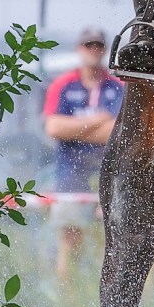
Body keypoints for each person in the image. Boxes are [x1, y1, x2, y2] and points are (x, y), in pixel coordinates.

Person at [43, 27, 124, 274]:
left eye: (98, 45)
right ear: (80, 48)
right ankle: (67, 294)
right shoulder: (62, 85)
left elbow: (118, 133)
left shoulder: (119, 86)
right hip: (71, 171)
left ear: (105, 50)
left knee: (114, 243)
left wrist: (74, 128)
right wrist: (98, 120)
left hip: (111, 173)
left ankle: (100, 294)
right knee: (70, 241)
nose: (94, 50)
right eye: (89, 45)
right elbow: (53, 127)